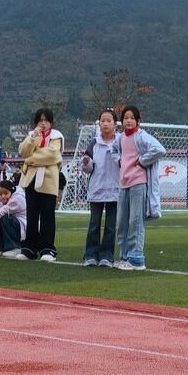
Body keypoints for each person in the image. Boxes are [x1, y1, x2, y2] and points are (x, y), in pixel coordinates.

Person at [113, 107, 166, 270]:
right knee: (121, 223)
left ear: (138, 121)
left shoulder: (142, 136)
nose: (128, 121)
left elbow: (159, 149)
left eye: (132, 118)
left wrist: (142, 161)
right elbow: (114, 151)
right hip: (124, 183)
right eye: (125, 118)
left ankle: (136, 259)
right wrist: (120, 161)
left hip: (138, 183)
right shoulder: (121, 138)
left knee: (135, 221)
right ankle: (125, 257)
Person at [19, 108, 64, 262]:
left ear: (51, 122)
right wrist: (32, 139)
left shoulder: (56, 136)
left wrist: (31, 159)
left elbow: (52, 155)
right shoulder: (32, 136)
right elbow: (23, 151)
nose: (43, 123)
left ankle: (47, 248)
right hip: (31, 180)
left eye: (46, 120)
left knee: (47, 215)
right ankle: (29, 248)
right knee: (31, 214)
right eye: (40, 120)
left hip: (48, 180)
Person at [80, 110, 122, 266]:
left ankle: (107, 256)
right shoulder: (94, 143)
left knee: (111, 226)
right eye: (102, 121)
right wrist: (86, 163)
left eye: (108, 120)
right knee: (94, 224)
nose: (105, 123)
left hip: (115, 189)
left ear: (115, 124)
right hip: (96, 189)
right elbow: (88, 168)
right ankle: (90, 255)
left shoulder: (121, 142)